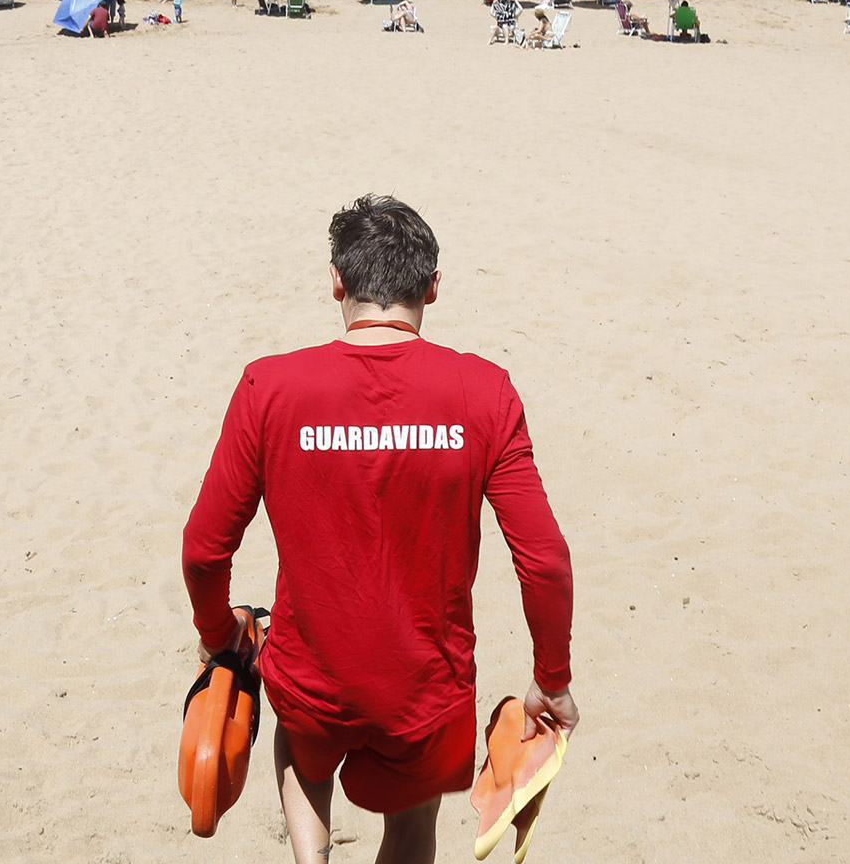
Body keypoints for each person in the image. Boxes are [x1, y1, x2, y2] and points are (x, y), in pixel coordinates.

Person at [183, 194, 576, 864]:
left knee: (301, 754)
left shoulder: (268, 387)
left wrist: (220, 636)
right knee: (411, 827)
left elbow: (204, 548)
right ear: (431, 287)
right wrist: (552, 677)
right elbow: (545, 561)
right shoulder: (486, 392)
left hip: (312, 680)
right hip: (426, 691)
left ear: (338, 281)